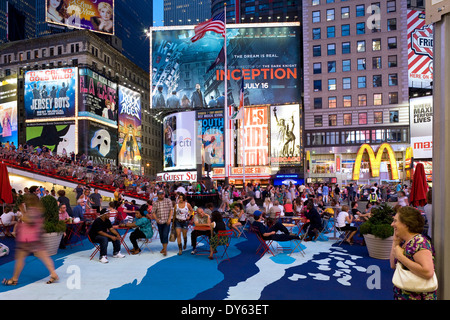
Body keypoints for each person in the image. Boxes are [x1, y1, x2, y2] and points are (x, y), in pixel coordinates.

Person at [2, 193, 59, 285]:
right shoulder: (38, 210)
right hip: (35, 238)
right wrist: (23, 212)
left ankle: (14, 279)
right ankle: (53, 274)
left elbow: (29, 220)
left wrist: (21, 213)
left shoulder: (33, 210)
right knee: (44, 257)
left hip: (27, 238)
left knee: (20, 258)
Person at [390, 206, 437, 300]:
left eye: (395, 221)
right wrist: (395, 241)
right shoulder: (404, 242)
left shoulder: (419, 242)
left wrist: (400, 256)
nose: (392, 224)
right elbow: (393, 265)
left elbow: (428, 272)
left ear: (406, 224)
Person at [151, 190, 173, 256]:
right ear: (157, 195)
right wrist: (156, 219)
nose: (162, 195)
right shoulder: (155, 203)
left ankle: (165, 249)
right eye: (160, 194)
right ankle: (164, 248)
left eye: (163, 194)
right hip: (159, 221)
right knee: (161, 235)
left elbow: (171, 210)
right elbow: (153, 212)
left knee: (165, 234)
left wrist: (169, 219)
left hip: (167, 221)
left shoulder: (168, 200)